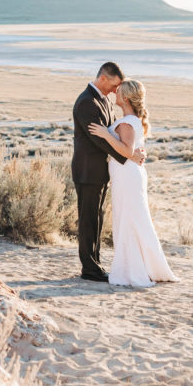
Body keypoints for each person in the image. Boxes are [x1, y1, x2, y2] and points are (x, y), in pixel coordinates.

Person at [89, 79, 179, 287]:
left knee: (130, 220)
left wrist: (104, 134)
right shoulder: (131, 119)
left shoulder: (128, 122)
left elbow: (127, 150)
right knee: (132, 219)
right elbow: (131, 151)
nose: (115, 93)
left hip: (128, 176)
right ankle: (146, 266)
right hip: (126, 175)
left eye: (119, 91)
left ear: (126, 98)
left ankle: (133, 271)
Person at [71, 62, 146, 282]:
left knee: (96, 219)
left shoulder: (102, 100)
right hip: (88, 171)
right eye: (114, 86)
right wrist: (129, 155)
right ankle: (90, 270)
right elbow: (98, 140)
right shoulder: (86, 102)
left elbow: (114, 135)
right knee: (88, 221)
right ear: (103, 78)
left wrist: (128, 150)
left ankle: (95, 264)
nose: (116, 91)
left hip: (100, 172)